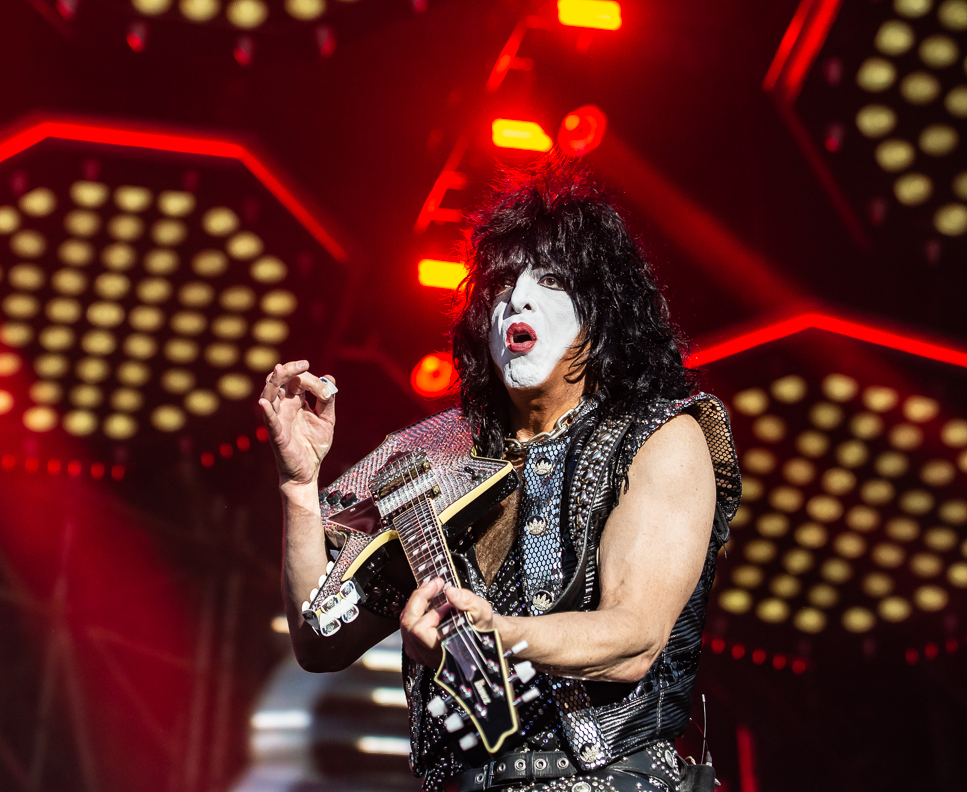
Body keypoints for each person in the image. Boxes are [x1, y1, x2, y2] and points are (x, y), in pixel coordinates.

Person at [258, 155, 740, 792]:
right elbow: (319, 641)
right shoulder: (432, 454)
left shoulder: (660, 434)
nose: (518, 298)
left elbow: (635, 638)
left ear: (601, 312)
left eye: (551, 280)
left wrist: (497, 633)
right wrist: (298, 487)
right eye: (503, 283)